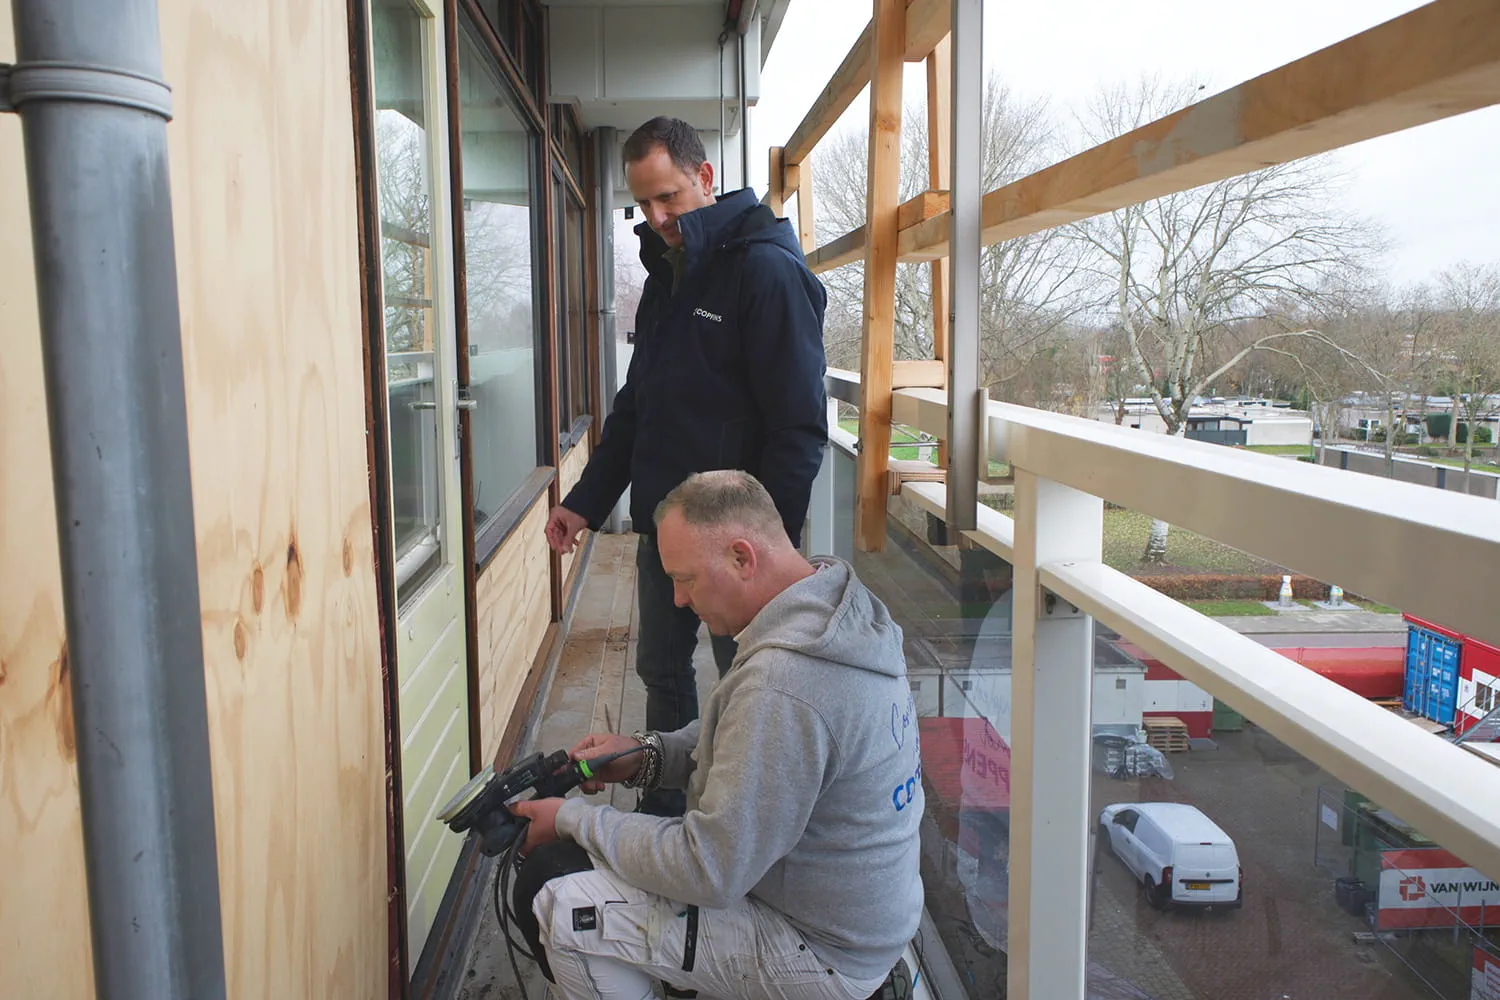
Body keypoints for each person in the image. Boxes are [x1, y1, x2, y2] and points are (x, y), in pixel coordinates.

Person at [512, 471, 923, 1000]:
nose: (679, 599)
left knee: (558, 898)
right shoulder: (832, 611)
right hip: (860, 923)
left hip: (823, 954)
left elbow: (706, 867)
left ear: (741, 557)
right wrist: (646, 755)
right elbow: (742, 737)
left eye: (686, 579)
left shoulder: (786, 684)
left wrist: (572, 819)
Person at [544, 117, 828, 816]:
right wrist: (584, 500)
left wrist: (769, 548)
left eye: (667, 197)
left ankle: (745, 819)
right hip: (664, 529)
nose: (656, 217)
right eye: (643, 203)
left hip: (737, 547)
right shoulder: (669, 278)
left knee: (752, 683)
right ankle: (668, 815)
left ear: (705, 177)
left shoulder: (765, 271)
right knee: (661, 671)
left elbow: (798, 429)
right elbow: (637, 407)